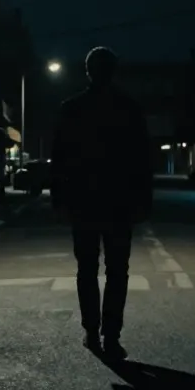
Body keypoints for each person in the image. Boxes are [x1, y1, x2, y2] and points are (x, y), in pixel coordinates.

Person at [50, 46, 154, 361]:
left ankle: (92, 331)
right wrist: (143, 200)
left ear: (88, 72)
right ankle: (111, 334)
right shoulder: (128, 108)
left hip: (83, 201)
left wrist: (59, 200)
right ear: (113, 71)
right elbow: (142, 160)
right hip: (119, 201)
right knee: (117, 270)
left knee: (87, 269)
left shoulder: (72, 108)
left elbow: (59, 159)